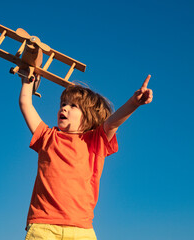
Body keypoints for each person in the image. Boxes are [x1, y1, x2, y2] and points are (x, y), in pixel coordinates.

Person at [19, 73, 153, 240]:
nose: (64, 108)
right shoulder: (47, 137)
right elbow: (26, 104)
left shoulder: (95, 141)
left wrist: (134, 103)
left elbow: (113, 122)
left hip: (81, 229)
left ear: (89, 116)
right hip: (43, 226)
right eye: (63, 104)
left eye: (73, 106)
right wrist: (27, 80)